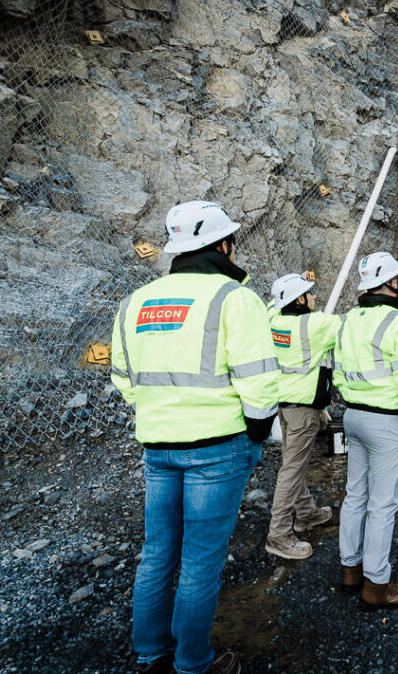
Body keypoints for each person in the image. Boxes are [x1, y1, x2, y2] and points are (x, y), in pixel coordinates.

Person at [111, 200, 279, 674]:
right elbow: (259, 382)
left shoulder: (134, 302)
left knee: (157, 556)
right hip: (218, 447)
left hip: (158, 445)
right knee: (201, 562)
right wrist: (256, 434)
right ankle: (193, 664)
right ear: (223, 245)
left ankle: (151, 654)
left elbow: (124, 379)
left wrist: (163, 413)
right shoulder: (234, 297)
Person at [333, 251, 398, 610]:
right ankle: (377, 585)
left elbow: (337, 371)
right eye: (397, 277)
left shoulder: (347, 320)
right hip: (387, 422)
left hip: (354, 416)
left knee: (355, 494)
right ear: (390, 282)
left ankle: (350, 571)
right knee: (382, 504)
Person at [264, 272, 342, 560]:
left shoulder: (273, 319)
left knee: (291, 464)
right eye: (309, 293)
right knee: (292, 471)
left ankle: (306, 513)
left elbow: (271, 305)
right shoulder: (316, 325)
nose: (314, 297)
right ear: (299, 300)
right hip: (304, 411)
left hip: (284, 406)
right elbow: (353, 326)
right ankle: (279, 535)